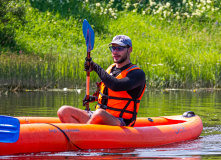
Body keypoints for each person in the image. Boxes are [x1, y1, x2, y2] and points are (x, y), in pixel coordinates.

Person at [57, 35, 146, 126]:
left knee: (99, 113)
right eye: (113, 48)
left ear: (129, 50)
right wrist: (94, 98)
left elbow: (116, 86)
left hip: (120, 121)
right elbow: (110, 97)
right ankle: (81, 136)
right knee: (63, 111)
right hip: (99, 115)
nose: (115, 52)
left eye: (119, 48)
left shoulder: (137, 74)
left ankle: (83, 135)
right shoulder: (111, 69)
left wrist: (95, 67)